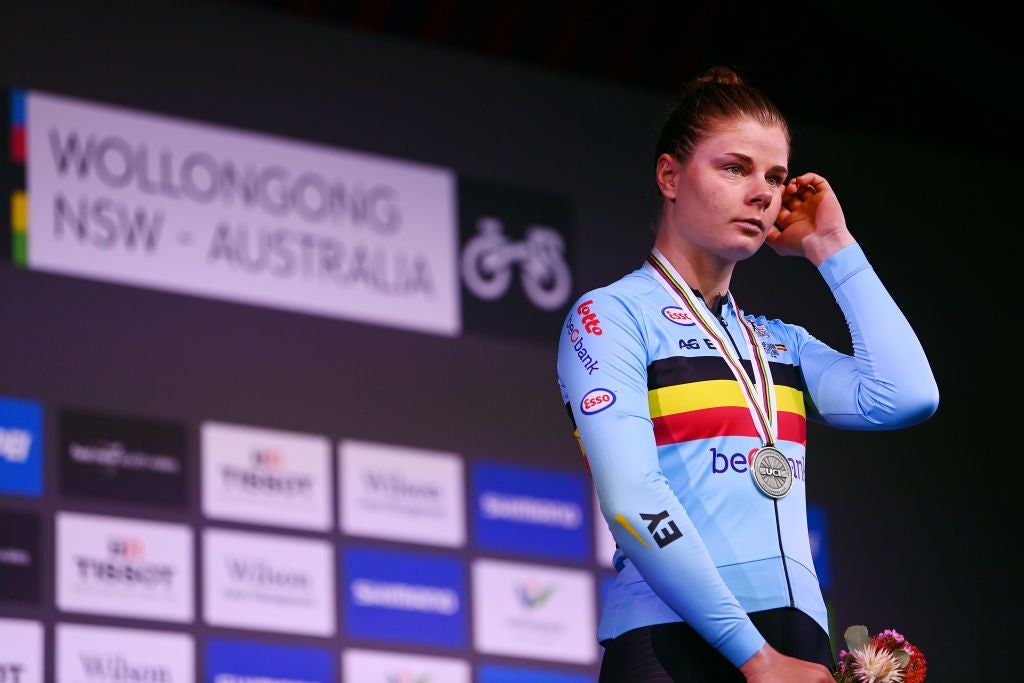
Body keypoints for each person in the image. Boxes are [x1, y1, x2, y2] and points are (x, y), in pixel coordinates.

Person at [556, 64, 939, 682]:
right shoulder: (612, 315)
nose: (762, 192)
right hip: (673, 645)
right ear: (670, 175)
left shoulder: (776, 342)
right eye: (734, 168)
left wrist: (833, 247)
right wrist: (753, 657)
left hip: (797, 653)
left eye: (776, 176)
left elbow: (907, 396)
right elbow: (631, 499)